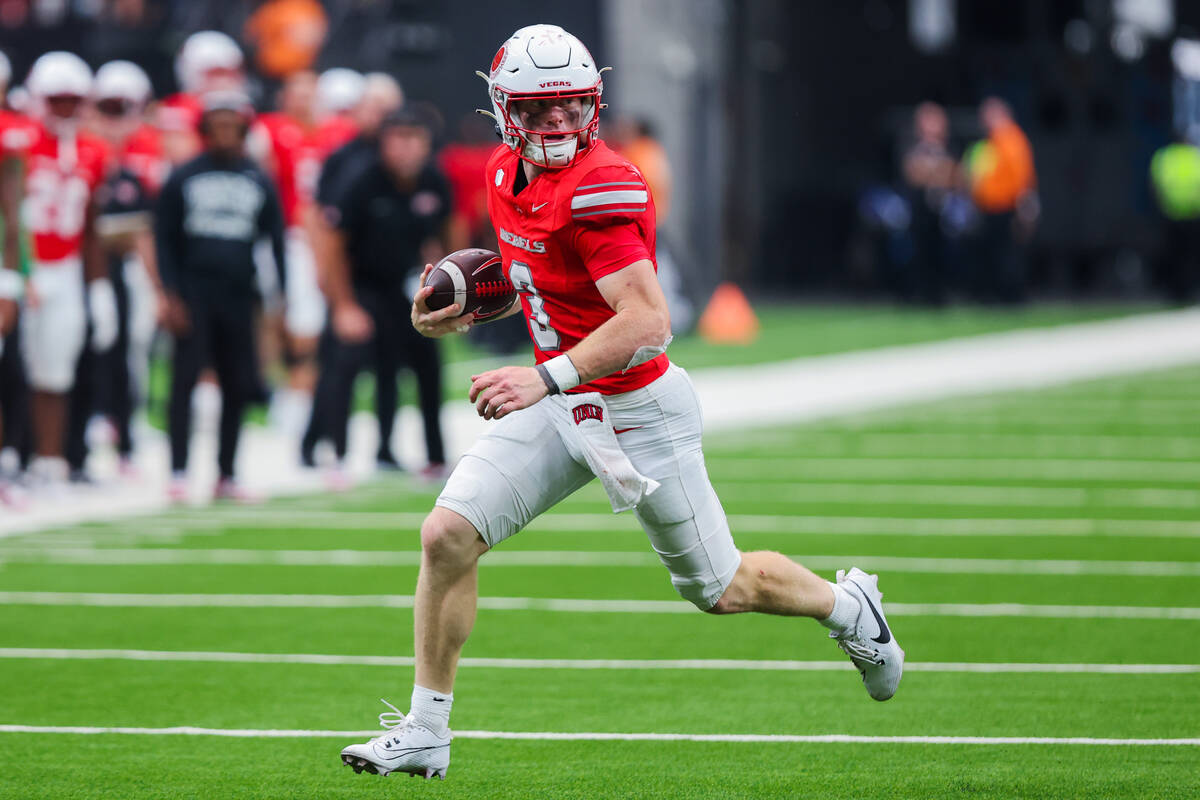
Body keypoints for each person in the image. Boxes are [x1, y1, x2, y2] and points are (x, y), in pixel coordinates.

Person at [339, 24, 904, 781]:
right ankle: (425, 731)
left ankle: (849, 610)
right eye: (539, 112)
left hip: (637, 407)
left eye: (572, 108)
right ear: (504, 113)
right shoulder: (505, 175)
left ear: (594, 104)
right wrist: (468, 305)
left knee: (721, 587)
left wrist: (541, 378)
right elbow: (535, 280)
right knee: (445, 535)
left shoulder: (604, 184)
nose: (559, 126)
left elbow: (645, 321)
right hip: (565, 401)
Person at [302, 108, 450, 483]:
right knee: (347, 361)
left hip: (410, 284)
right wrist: (344, 306)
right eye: (398, 139)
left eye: (415, 139)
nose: (407, 149)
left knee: (425, 362)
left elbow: (449, 232)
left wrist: (451, 286)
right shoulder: (361, 180)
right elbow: (333, 242)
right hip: (361, 284)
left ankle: (432, 455)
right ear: (384, 144)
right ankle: (333, 454)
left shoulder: (433, 181)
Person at [155, 91, 286, 502]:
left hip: (238, 292)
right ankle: (177, 471)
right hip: (194, 291)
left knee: (237, 382)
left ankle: (226, 473)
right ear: (205, 128)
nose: (226, 132)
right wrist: (170, 294)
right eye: (219, 123)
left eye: (233, 124)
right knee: (184, 381)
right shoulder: (183, 176)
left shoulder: (257, 178)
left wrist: (277, 297)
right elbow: (165, 240)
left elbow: (274, 240)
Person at [18, 52, 116, 491]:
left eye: (72, 100)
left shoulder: (94, 150)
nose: (65, 109)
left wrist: (99, 287)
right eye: (56, 99)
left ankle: (50, 461)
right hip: (22, 267)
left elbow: (92, 224)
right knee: (13, 369)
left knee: (56, 371)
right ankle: (14, 458)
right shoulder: (15, 140)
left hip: (67, 268)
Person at [963, 97, 1037, 303]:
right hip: (989, 208)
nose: (984, 120)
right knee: (993, 255)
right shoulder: (990, 142)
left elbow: (1022, 177)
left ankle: (1011, 297)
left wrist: (1025, 207)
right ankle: (995, 295)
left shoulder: (1012, 140)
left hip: (1007, 207)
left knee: (1008, 255)